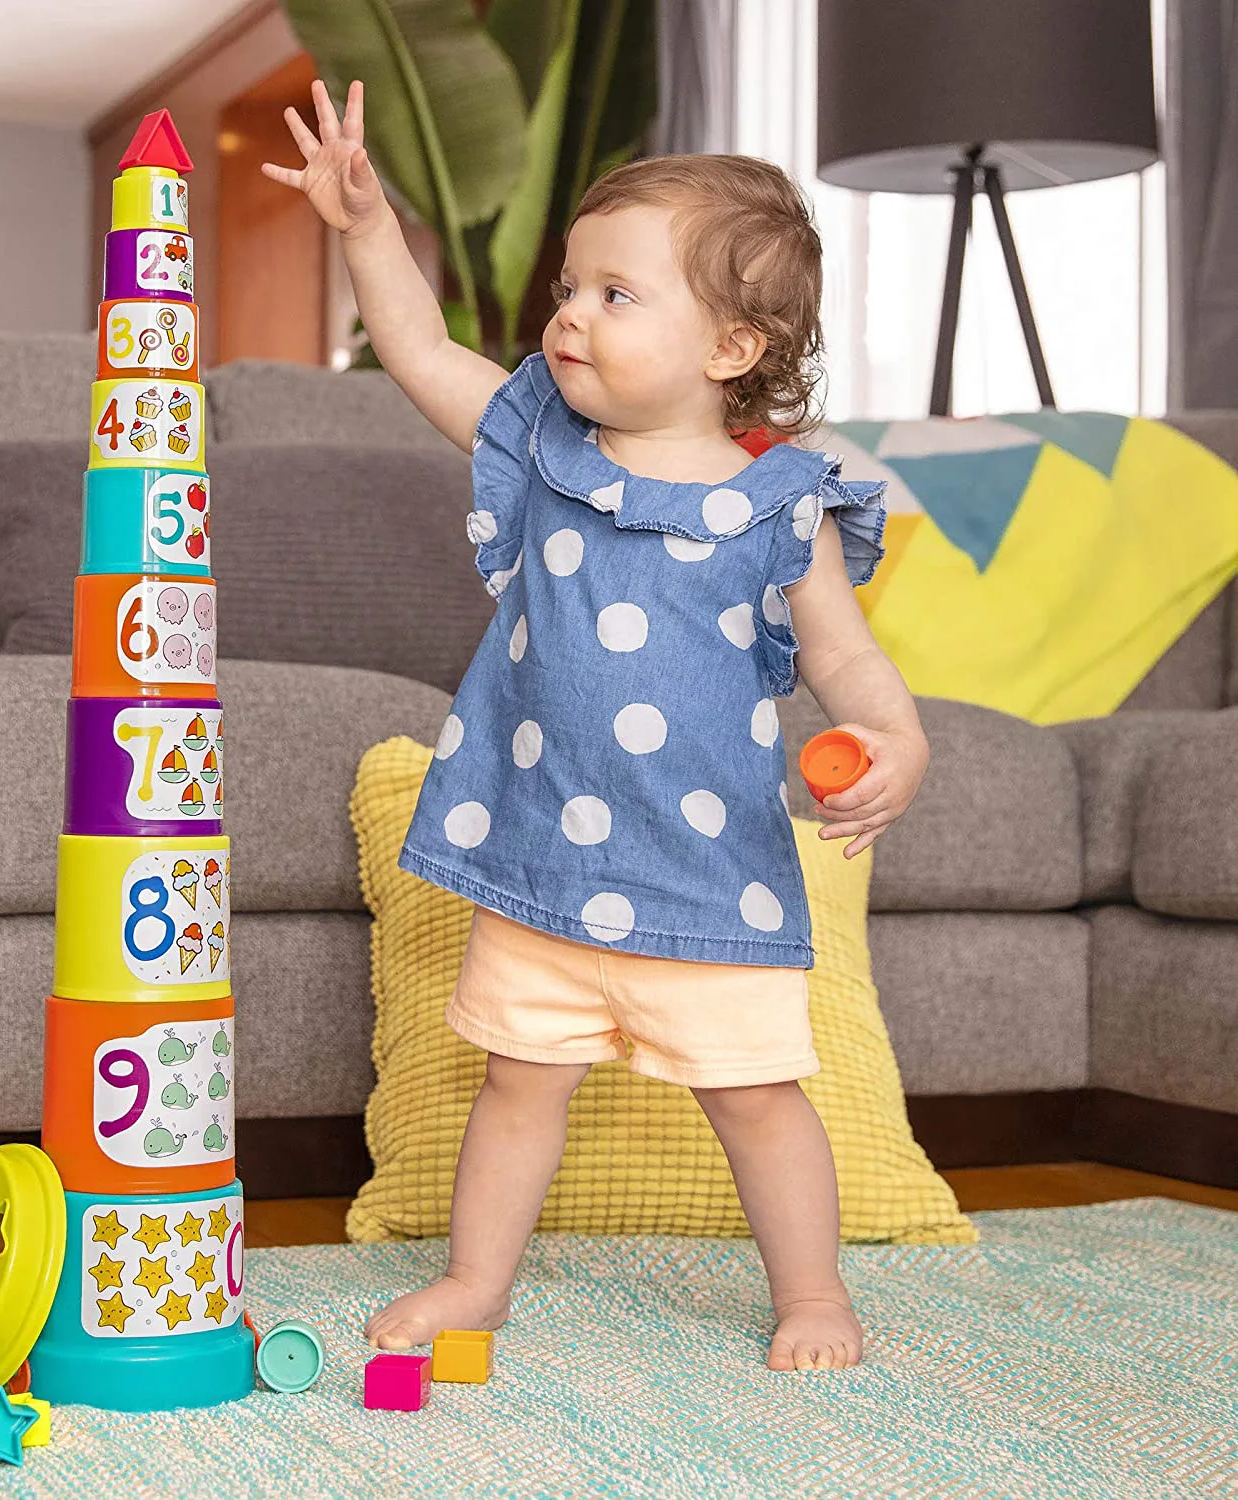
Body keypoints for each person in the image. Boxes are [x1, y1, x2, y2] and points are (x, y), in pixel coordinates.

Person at [264, 80, 929, 1373]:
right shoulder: (546, 450)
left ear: (730, 347)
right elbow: (421, 352)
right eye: (572, 286)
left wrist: (896, 739)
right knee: (517, 1086)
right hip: (543, 865)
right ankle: (476, 1281)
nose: (570, 313)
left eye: (617, 294)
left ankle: (812, 1295)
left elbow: (846, 657)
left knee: (758, 1100)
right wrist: (366, 228)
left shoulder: (784, 508)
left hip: (708, 879)